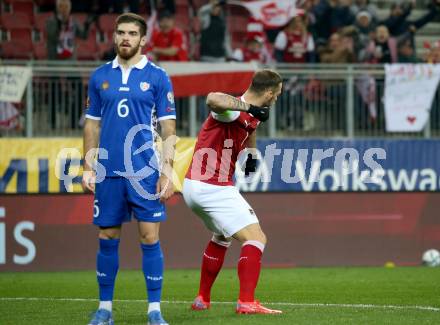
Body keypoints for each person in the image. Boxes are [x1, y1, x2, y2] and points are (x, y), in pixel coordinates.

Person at [82, 13, 176, 325]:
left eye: (132, 33)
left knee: (150, 238)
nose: (125, 38)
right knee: (107, 236)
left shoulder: (158, 76)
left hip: (145, 172)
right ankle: (105, 309)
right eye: (121, 32)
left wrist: (167, 170)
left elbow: (168, 127)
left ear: (143, 39)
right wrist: (87, 166)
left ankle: (154, 312)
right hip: (108, 172)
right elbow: (92, 126)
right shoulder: (99, 77)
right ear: (114, 36)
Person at [182, 70, 283, 315]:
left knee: (221, 236)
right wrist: (249, 107)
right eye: (277, 94)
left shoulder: (251, 114)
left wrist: (251, 154)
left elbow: (251, 127)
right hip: (211, 186)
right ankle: (246, 302)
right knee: (256, 238)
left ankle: (202, 299)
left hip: (195, 186)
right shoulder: (231, 108)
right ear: (269, 93)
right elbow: (212, 98)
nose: (277, 98)